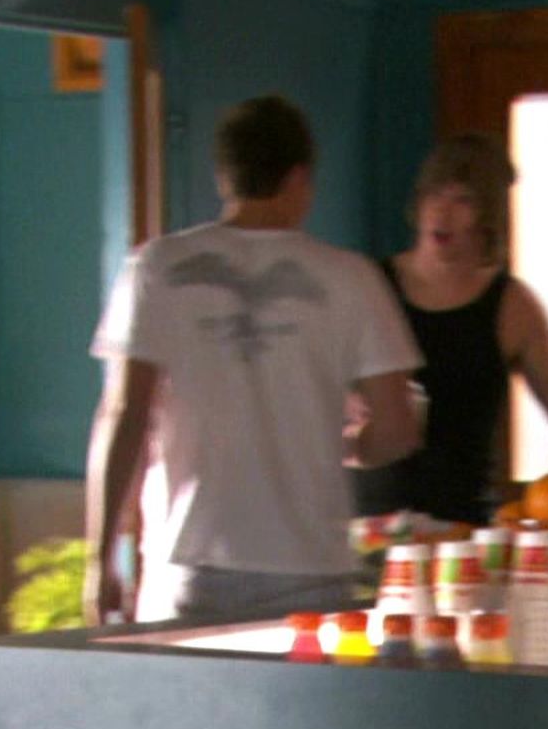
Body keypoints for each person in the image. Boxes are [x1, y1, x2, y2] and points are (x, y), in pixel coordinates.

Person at [86, 95, 423, 624]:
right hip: (312, 565)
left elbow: (124, 416)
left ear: (225, 177)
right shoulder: (351, 278)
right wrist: (344, 444)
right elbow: (398, 430)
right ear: (299, 178)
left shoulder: (156, 267)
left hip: (190, 559)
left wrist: (100, 559)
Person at [351, 134, 548, 524]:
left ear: (487, 217)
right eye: (435, 195)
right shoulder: (370, 286)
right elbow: (313, 386)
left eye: (462, 200)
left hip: (463, 530)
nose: (442, 211)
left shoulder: (512, 306)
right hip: (370, 525)